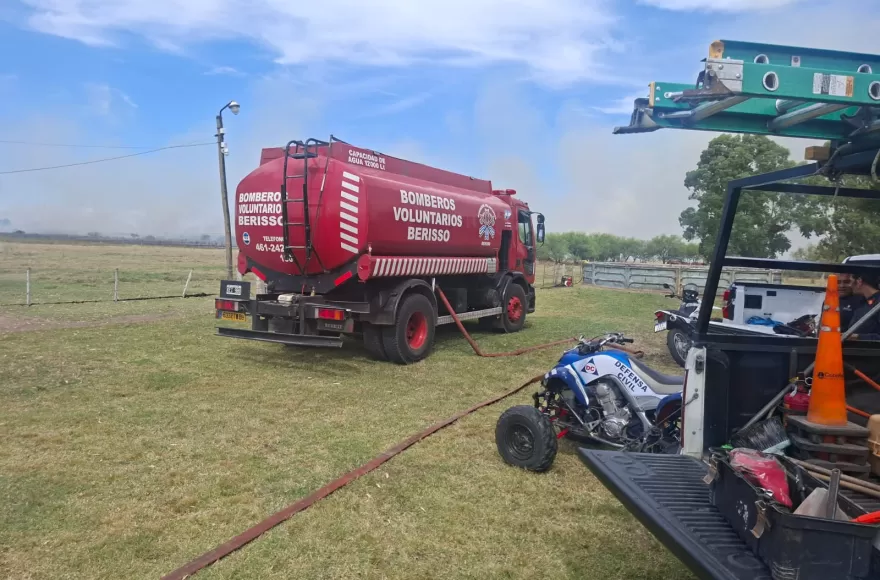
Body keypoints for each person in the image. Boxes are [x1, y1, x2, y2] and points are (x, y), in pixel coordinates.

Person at [848, 272, 880, 340]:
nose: (850, 285)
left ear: (859, 281)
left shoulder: (878, 304)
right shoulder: (863, 301)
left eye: (850, 281)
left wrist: (857, 337)